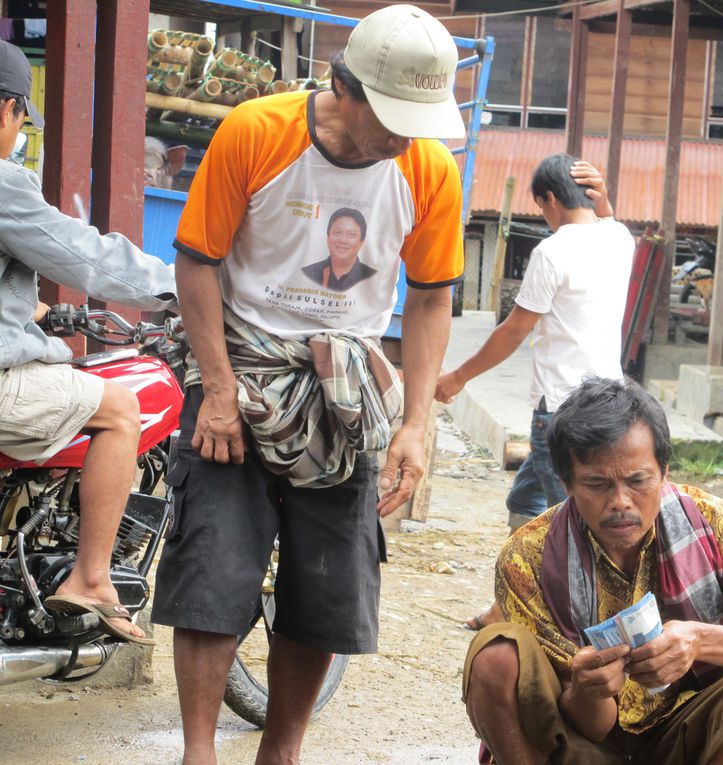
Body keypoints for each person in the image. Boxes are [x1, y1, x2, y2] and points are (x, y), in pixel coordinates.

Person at [150, 5, 465, 764]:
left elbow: (429, 297)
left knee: (328, 584)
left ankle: (281, 750)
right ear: (343, 86)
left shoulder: (428, 170)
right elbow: (197, 261)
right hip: (242, 368)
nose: (401, 134)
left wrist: (416, 424)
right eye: (390, 116)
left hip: (344, 392)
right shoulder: (259, 132)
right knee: (215, 564)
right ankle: (199, 751)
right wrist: (217, 391)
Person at [463, 377, 723, 765]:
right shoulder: (528, 557)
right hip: (581, 748)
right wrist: (590, 689)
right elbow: (593, 726)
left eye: (638, 481)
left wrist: (699, 640)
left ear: (664, 471)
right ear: (566, 482)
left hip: (690, 741)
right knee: (496, 654)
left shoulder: (716, 526)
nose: (620, 502)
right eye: (597, 484)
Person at [0, 41, 176, 645]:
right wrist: (183, 290)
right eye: (22, 118)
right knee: (121, 409)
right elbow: (87, 255)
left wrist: (36, 310)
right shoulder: (3, 183)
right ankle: (92, 579)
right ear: (7, 110)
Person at [435, 152, 635, 630]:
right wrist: (603, 196)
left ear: (547, 199)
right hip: (610, 405)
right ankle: (508, 603)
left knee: (574, 523)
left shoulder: (553, 252)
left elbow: (513, 331)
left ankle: (594, 616)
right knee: (524, 505)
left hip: (561, 412)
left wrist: (458, 377)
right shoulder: (620, 238)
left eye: (541, 206)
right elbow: (607, 217)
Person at [301, 206, 378, 291]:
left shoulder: (372, 277)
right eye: (337, 232)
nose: (343, 240)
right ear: (328, 237)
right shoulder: (307, 273)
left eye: (351, 234)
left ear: (361, 242)